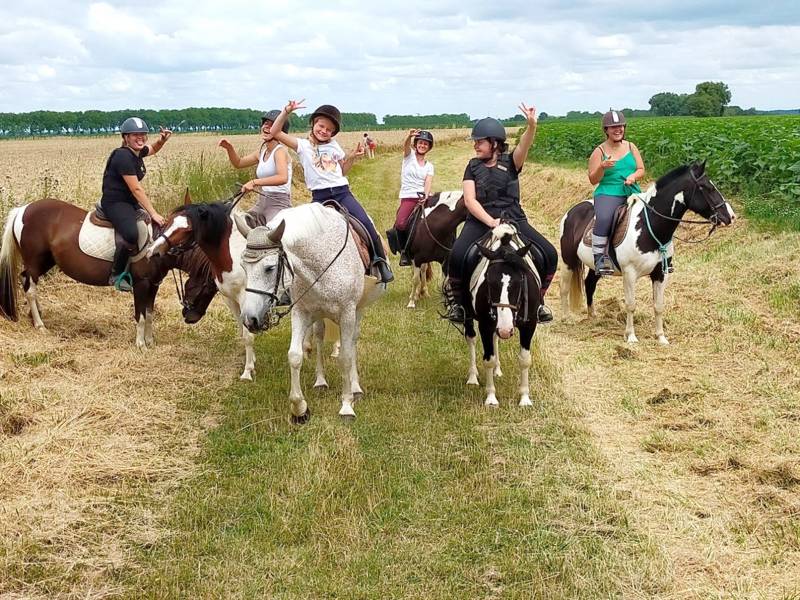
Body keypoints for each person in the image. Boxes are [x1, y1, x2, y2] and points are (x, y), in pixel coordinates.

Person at [444, 104, 557, 323]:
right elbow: (469, 200)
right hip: (480, 220)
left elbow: (524, 144)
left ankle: (538, 302)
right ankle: (459, 305)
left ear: (494, 143)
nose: (475, 145)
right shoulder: (472, 166)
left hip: (514, 218)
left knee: (550, 254)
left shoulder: (512, 162)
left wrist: (531, 126)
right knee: (456, 255)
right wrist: (491, 222)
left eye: (479, 141)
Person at [269, 100, 393, 283]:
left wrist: (352, 157)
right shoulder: (302, 146)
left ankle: (379, 261)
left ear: (333, 133)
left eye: (329, 129)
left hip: (342, 193)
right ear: (313, 124)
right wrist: (286, 112)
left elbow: (342, 170)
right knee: (308, 233)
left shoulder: (334, 146)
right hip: (319, 196)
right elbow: (275, 132)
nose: (324, 131)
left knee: (365, 222)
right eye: (321, 126)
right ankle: (301, 274)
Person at [101, 117, 170, 292]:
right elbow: (136, 189)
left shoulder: (136, 152)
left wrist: (162, 140)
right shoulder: (123, 156)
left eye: (143, 134)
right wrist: (153, 213)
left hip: (129, 202)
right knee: (131, 234)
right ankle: (116, 274)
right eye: (135, 135)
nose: (140, 138)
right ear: (125, 137)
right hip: (116, 202)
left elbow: (152, 149)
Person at [587, 109, 645, 276]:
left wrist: (633, 176)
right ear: (606, 130)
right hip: (609, 192)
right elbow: (593, 179)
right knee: (605, 217)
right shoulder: (599, 151)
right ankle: (600, 257)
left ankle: (662, 255)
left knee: (653, 213)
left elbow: (641, 169)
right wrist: (601, 167)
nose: (618, 129)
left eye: (620, 126)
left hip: (632, 190)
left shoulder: (631, 146)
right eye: (613, 127)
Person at [219, 110, 293, 227]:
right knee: (242, 226)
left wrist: (254, 182)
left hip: (278, 202)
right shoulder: (261, 152)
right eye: (266, 123)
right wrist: (229, 148)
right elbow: (238, 163)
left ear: (280, 131)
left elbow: (282, 178)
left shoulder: (280, 151)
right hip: (261, 202)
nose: (267, 126)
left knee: (272, 232)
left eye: (272, 125)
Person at [394, 129, 434, 265]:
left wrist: (426, 195)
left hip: (423, 196)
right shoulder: (408, 156)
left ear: (429, 147)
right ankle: (404, 252)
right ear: (416, 144)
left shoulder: (430, 166)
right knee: (400, 223)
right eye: (420, 143)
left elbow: (428, 182)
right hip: (409, 196)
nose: (423, 145)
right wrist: (409, 137)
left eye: (426, 144)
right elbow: (405, 146)